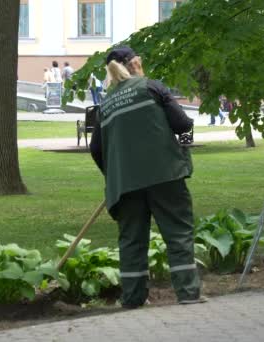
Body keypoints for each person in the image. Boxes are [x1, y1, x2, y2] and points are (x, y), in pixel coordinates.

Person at [89, 46, 205, 308]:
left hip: (126, 185)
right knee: (177, 233)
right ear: (135, 63)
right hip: (166, 175)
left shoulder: (105, 104)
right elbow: (184, 124)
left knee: (131, 241)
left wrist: (115, 173)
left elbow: (96, 149)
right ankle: (187, 294)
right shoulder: (152, 87)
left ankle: (132, 299)